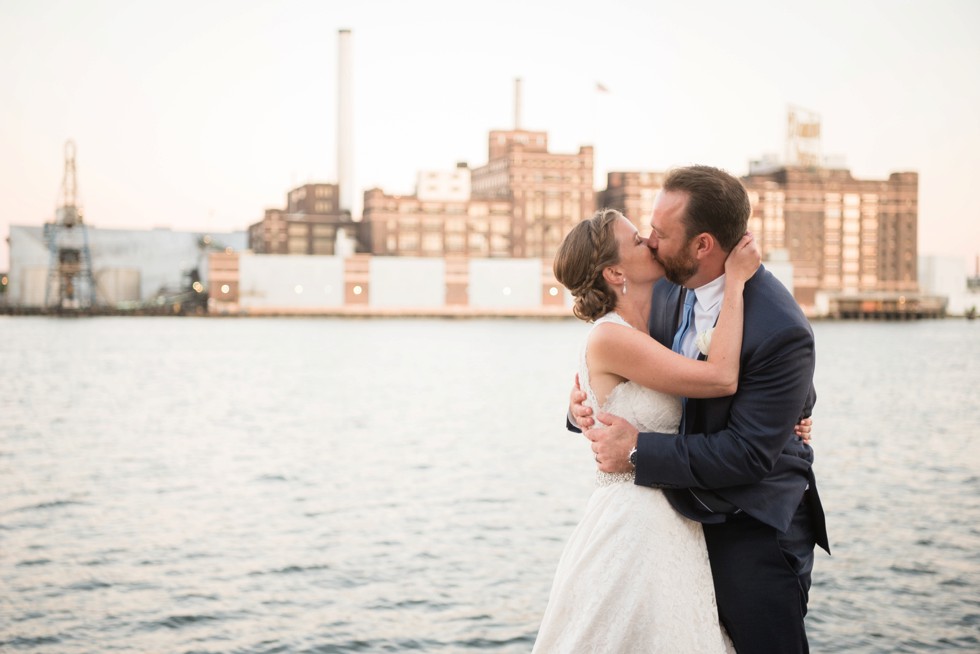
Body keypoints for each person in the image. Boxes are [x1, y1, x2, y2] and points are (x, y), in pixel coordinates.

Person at [573, 166, 830, 653]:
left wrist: (636, 451)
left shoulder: (780, 327)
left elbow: (748, 453)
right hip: (671, 525)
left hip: (750, 528)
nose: (649, 241)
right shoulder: (667, 283)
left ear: (703, 245)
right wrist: (583, 405)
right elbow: (630, 368)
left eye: (661, 233)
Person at [532, 207, 762, 652]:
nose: (651, 242)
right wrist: (736, 282)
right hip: (635, 526)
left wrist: (787, 416)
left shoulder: (652, 325)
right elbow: (718, 378)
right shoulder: (610, 337)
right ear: (615, 271)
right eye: (637, 240)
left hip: (670, 519)